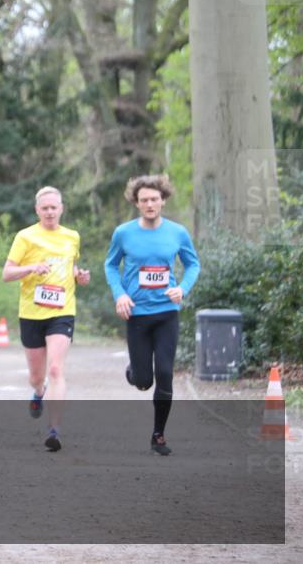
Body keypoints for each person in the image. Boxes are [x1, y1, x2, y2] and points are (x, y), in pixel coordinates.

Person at [104, 174, 200, 456]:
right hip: (137, 313)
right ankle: (134, 371)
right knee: (144, 381)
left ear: (163, 200)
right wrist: (119, 294)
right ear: (136, 203)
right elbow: (111, 266)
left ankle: (158, 434)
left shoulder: (177, 233)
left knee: (166, 373)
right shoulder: (123, 233)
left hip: (166, 313)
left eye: (154, 199)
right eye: (144, 200)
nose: (149, 204)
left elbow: (193, 265)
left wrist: (182, 289)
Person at [2, 186, 90, 452]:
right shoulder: (25, 237)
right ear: (37, 210)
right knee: (36, 376)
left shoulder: (72, 237)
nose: (50, 212)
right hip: (31, 312)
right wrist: (31, 268)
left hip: (62, 311)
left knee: (56, 369)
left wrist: (78, 276)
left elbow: (68, 265)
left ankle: (54, 429)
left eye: (54, 207)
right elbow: (7, 273)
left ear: (62, 208)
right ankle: (38, 393)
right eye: (45, 208)